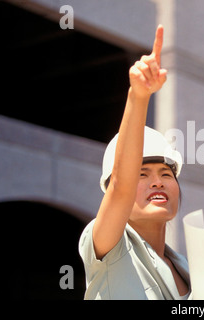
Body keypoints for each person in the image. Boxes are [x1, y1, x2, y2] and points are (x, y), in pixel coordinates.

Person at [78, 25, 190, 300]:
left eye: (166, 173)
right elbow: (120, 188)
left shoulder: (187, 268)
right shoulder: (108, 248)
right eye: (142, 174)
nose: (157, 181)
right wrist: (138, 96)